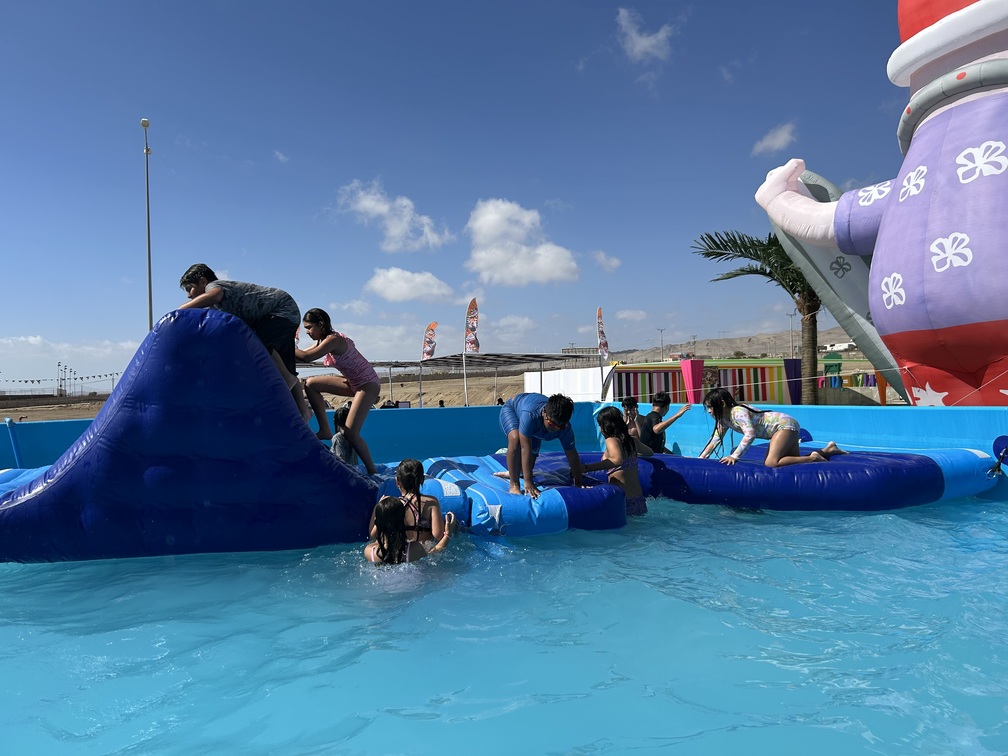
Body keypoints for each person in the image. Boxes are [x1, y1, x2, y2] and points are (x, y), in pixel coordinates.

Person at [178, 264, 309, 419]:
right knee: (279, 361)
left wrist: (181, 310)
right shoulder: (217, 309)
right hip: (281, 316)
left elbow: (215, 295)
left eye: (189, 288)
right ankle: (304, 412)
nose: (189, 295)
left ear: (202, 281)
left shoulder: (215, 286)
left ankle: (287, 380)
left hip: (281, 310)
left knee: (255, 345)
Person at [295, 308, 381, 475]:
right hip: (353, 382)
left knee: (350, 432)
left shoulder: (334, 340)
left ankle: (373, 471)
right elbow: (303, 354)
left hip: (367, 384)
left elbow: (306, 357)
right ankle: (325, 430)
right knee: (311, 384)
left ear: (321, 324)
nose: (307, 332)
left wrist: (284, 344)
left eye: (309, 327)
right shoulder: (323, 340)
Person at [698, 387, 846, 467]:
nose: (709, 411)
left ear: (722, 404)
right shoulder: (723, 419)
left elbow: (750, 434)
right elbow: (715, 440)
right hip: (783, 427)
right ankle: (828, 450)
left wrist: (734, 456)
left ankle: (813, 458)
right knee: (791, 460)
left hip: (783, 425)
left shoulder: (737, 412)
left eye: (711, 407)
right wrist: (701, 458)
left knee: (771, 463)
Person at [499, 392, 583, 499]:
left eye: (561, 426)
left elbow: (572, 454)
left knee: (527, 466)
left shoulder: (565, 429)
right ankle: (514, 484)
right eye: (552, 424)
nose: (556, 429)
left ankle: (515, 472)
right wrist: (528, 482)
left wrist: (578, 483)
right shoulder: (530, 415)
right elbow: (525, 449)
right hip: (513, 410)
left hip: (536, 423)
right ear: (544, 412)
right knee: (516, 439)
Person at [583, 406, 654, 516]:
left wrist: (586, 468)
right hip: (639, 501)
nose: (600, 429)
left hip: (622, 500)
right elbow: (649, 452)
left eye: (601, 425)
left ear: (607, 426)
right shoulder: (632, 441)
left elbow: (617, 460)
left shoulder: (611, 440)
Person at [369, 458, 444, 547]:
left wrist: (378, 508)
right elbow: (438, 535)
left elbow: (372, 536)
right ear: (422, 479)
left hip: (398, 552)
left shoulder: (389, 505)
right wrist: (449, 530)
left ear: (397, 481)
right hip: (424, 551)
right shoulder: (431, 502)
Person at [364, 496, 454, 564]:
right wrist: (447, 535)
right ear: (403, 521)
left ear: (376, 522)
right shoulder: (413, 549)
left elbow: (379, 538)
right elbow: (435, 553)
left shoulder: (369, 551)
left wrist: (380, 509)